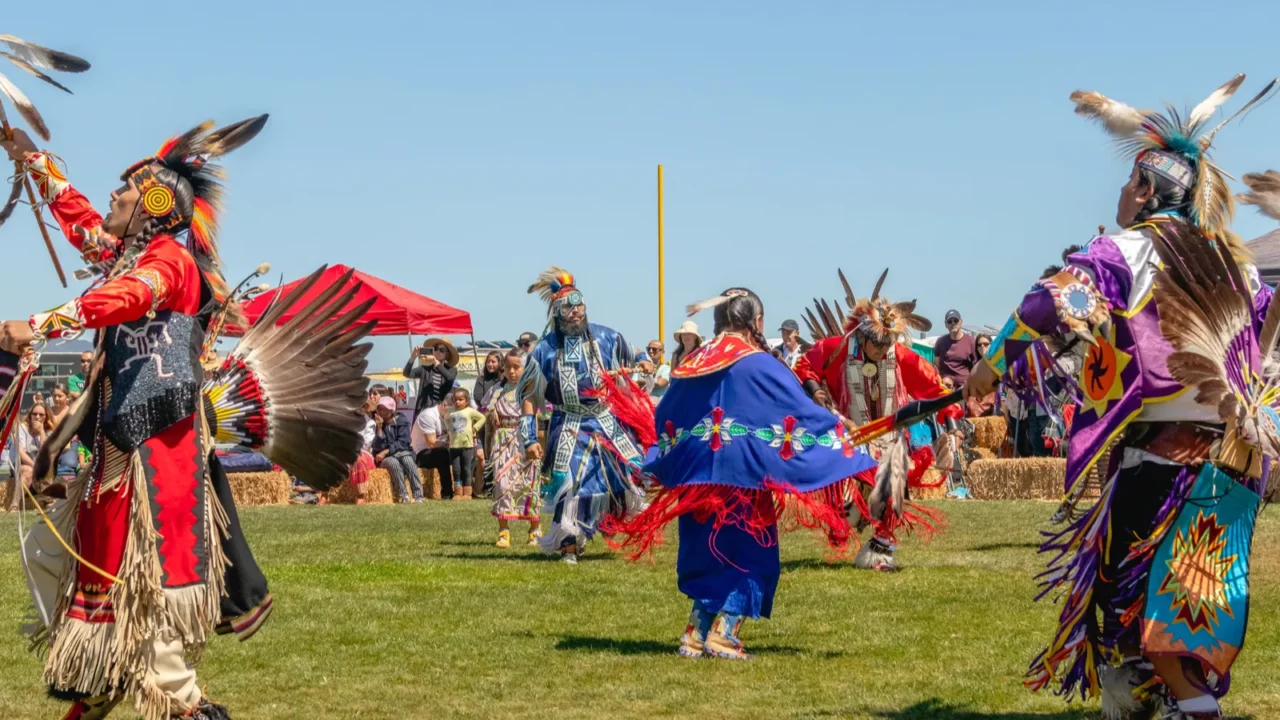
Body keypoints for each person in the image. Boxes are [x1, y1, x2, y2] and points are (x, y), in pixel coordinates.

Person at [963, 77, 1275, 720]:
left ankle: (1181, 707)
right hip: (1227, 463)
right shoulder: (1237, 265)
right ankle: (1165, 703)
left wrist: (991, 370)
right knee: (1193, 595)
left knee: (1138, 596)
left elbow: (1049, 303)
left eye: (1128, 187)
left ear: (1142, 188)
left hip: (1158, 461)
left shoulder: (1126, 249)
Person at [0, 117, 277, 719]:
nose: (112, 198)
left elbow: (124, 297)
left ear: (154, 205)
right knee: (57, 556)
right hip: (119, 444)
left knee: (154, 579)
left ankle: (176, 700)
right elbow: (77, 218)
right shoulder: (125, 256)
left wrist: (43, 323)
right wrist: (27, 154)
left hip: (162, 452)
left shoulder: (169, 264)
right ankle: (100, 675)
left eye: (124, 193)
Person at [607, 288, 876, 659]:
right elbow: (800, 413)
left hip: (699, 479)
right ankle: (724, 636)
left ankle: (695, 635)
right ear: (757, 322)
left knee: (707, 552)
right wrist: (842, 433)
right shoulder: (760, 363)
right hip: (744, 480)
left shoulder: (693, 362)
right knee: (750, 553)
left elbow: (666, 414)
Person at [795, 268, 963, 571]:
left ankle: (881, 550)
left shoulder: (900, 356)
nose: (883, 349)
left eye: (888, 343)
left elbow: (936, 389)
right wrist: (817, 393)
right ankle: (849, 514)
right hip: (851, 435)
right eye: (878, 344)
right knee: (846, 512)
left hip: (890, 436)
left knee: (893, 482)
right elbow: (805, 366)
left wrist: (951, 429)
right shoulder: (836, 349)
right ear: (862, 335)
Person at [518, 267, 654, 564]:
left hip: (606, 421)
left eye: (579, 306)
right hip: (568, 424)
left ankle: (602, 524)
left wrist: (644, 362)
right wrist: (529, 438)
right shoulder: (545, 350)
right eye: (568, 308)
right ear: (557, 313)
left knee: (622, 478)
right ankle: (569, 542)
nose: (576, 312)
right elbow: (528, 397)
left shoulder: (607, 337)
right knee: (570, 482)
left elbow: (637, 354)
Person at [487, 353, 541, 548]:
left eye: (516, 367)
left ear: (525, 369)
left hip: (524, 439)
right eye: (508, 367)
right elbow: (488, 412)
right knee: (502, 484)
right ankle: (504, 532)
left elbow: (537, 416)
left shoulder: (530, 391)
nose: (511, 371)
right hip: (502, 440)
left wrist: (534, 441)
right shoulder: (497, 390)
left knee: (529, 484)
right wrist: (491, 413)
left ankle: (534, 530)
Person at [372, 396, 423, 503]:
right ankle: (403, 495)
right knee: (393, 463)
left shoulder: (401, 420)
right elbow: (378, 447)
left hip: (401, 452)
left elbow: (404, 442)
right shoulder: (376, 424)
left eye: (383, 409)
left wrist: (386, 451)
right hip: (386, 458)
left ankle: (418, 495)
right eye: (379, 409)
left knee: (408, 460)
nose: (380, 411)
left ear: (391, 411)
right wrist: (380, 428)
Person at [7, 404, 50, 512]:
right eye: (34, 414)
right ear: (30, 416)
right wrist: (35, 466)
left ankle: (46, 501)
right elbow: (21, 452)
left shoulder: (48, 431)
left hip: (39, 466)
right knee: (28, 471)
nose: (38, 417)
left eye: (41, 415)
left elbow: (46, 452)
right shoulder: (22, 428)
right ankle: (15, 504)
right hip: (19, 464)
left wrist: (41, 431)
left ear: (46, 417)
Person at [445, 388, 485, 500]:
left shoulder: (470, 411)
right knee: (456, 469)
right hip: (454, 446)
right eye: (455, 400)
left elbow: (482, 418)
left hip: (467, 445)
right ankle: (457, 492)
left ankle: (467, 492)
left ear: (467, 401)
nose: (457, 402)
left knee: (466, 469)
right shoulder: (451, 412)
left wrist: (474, 429)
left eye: (460, 400)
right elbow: (446, 419)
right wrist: (449, 430)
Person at [404, 339, 459, 416]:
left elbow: (449, 377)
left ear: (447, 354)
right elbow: (407, 373)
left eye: (442, 350)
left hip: (443, 411)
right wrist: (413, 357)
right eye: (436, 348)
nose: (438, 352)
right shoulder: (425, 369)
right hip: (425, 411)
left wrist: (434, 361)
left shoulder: (452, 370)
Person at [412, 398, 453, 498]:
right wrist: (450, 443)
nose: (453, 414)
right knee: (442, 454)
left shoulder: (445, 416)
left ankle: (465, 491)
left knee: (465, 452)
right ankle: (447, 493)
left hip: (439, 448)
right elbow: (431, 443)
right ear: (444, 405)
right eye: (451, 411)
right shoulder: (428, 415)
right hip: (420, 453)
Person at [933, 309, 978, 387]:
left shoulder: (971, 342)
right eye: (950, 321)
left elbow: (976, 367)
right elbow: (937, 366)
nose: (953, 323)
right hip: (945, 388)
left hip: (964, 389)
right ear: (946, 324)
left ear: (961, 322)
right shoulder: (940, 342)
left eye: (955, 321)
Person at [965, 334, 997, 418]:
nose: (982, 346)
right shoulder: (975, 364)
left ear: (991, 345)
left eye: (985, 344)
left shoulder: (996, 363)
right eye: (979, 344)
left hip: (994, 399)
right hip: (977, 400)